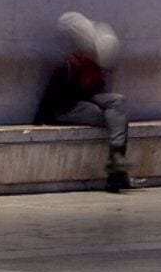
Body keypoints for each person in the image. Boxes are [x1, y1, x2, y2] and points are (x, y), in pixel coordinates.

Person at [35, 12, 130, 192]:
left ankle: (117, 157)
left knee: (119, 104)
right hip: (67, 107)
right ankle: (116, 170)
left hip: (87, 101)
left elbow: (100, 92)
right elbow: (51, 96)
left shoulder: (95, 68)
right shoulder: (68, 66)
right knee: (111, 118)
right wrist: (39, 121)